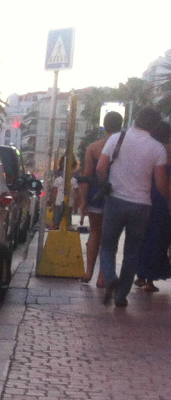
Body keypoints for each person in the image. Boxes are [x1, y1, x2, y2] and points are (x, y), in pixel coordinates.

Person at [97, 106, 171, 306]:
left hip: (115, 201)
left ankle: (111, 278)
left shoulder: (116, 139)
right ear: (154, 126)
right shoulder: (157, 149)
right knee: (132, 251)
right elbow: (161, 183)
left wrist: (106, 184)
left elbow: (101, 168)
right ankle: (121, 297)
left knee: (107, 246)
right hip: (141, 206)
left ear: (136, 119)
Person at [80, 112, 124, 284]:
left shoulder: (93, 147)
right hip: (117, 194)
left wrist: (83, 200)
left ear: (104, 125)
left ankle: (88, 272)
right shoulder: (125, 146)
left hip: (96, 194)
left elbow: (86, 175)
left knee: (95, 232)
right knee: (111, 237)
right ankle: (103, 276)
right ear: (121, 125)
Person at [134, 118, 171, 291]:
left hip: (145, 193)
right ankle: (150, 279)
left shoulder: (150, 148)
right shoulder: (168, 151)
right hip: (163, 197)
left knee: (142, 235)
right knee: (158, 238)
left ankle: (140, 275)